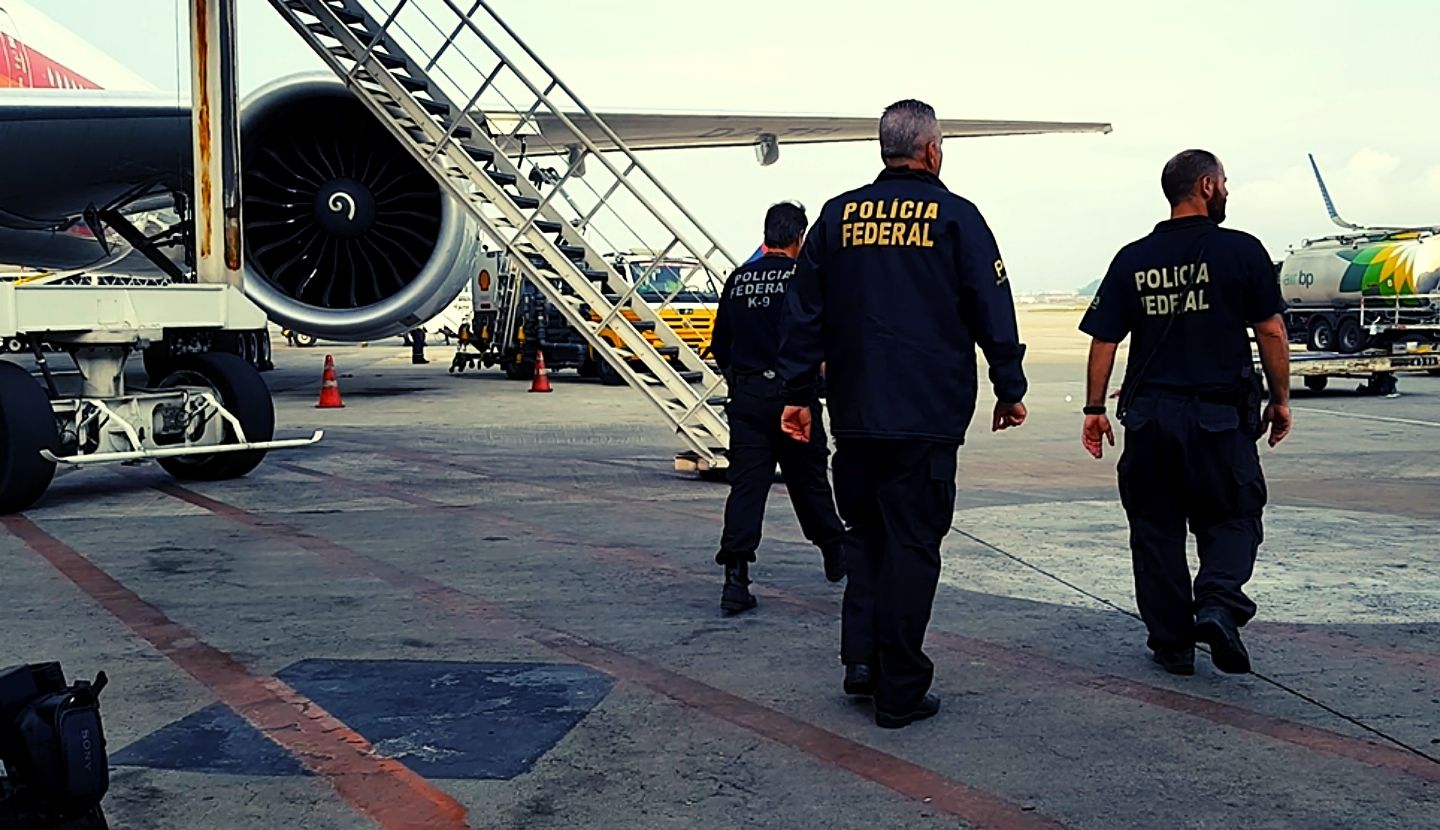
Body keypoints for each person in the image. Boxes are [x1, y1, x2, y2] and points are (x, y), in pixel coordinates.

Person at [775, 99, 1028, 728]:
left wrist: (796, 394)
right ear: (933, 150)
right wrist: (1009, 384)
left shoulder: (836, 216)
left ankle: (862, 662)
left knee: (866, 536)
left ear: (884, 149)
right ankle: (900, 689)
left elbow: (803, 314)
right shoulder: (958, 217)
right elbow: (991, 305)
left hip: (856, 412)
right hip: (925, 415)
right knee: (914, 544)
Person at [1078, 149, 1292, 677]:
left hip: (1150, 420)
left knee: (1155, 529)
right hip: (1218, 419)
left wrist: (1094, 408)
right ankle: (1218, 603)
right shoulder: (1242, 250)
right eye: (1224, 182)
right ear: (1206, 185)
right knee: (1234, 516)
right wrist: (1280, 399)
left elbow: (1104, 340)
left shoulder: (1132, 258)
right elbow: (1270, 331)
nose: (1227, 190)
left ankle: (1172, 644)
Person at [710, 201, 853, 616]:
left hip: (748, 398)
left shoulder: (738, 279)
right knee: (809, 481)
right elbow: (822, 337)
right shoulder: (804, 278)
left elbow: (721, 345)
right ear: (799, 237)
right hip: (794, 395)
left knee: (746, 488)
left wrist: (741, 382)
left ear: (767, 235)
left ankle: (735, 579)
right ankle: (835, 551)